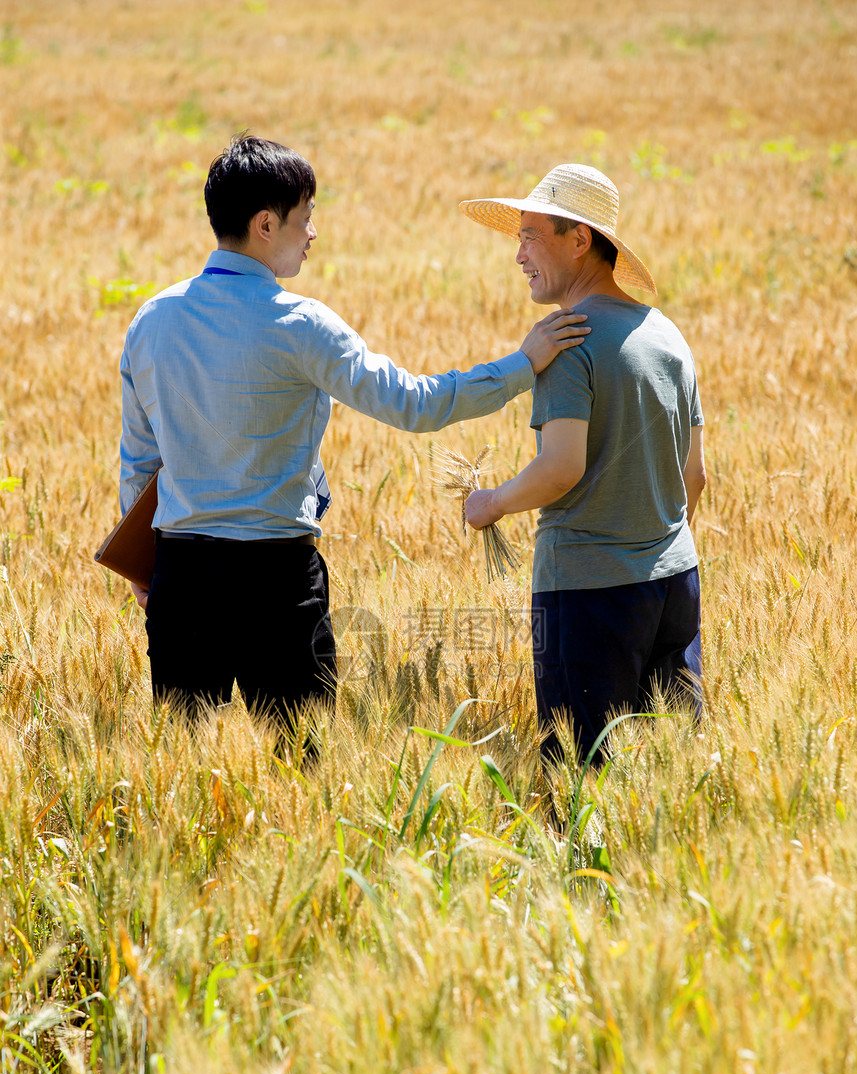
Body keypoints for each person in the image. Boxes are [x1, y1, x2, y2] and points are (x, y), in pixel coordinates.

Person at [119, 134, 589, 732]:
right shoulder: (301, 324)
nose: (313, 234)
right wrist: (523, 365)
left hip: (180, 579)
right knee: (305, 770)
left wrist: (146, 573)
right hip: (275, 580)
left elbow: (137, 462)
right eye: (305, 219)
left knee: (185, 782)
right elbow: (414, 404)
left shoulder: (152, 320)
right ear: (266, 224)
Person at [461, 164, 706, 765]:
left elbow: (561, 467)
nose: (518, 254)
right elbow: (694, 476)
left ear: (579, 240)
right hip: (676, 582)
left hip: (589, 593)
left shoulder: (566, 340)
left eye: (530, 235)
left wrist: (488, 503)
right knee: (666, 776)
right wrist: (650, 543)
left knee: (579, 780)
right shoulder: (667, 334)